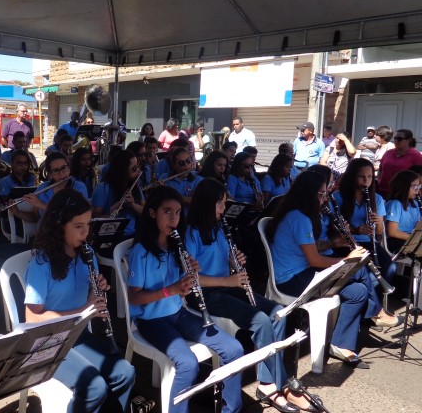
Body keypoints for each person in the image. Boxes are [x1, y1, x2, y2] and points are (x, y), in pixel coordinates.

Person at [186, 179, 312, 412]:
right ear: (206, 204)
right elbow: (191, 278)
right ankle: (280, 385)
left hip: (227, 286)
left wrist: (234, 261)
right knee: (261, 321)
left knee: (278, 313)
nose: (224, 209)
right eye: (220, 204)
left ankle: (267, 381)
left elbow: (225, 261)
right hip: (204, 295)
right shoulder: (191, 233)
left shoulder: (219, 228)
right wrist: (228, 280)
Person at [127, 186, 244, 413]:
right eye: (167, 212)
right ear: (152, 213)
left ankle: (231, 409)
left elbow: (182, 290)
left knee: (234, 349)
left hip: (177, 313)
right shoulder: (141, 251)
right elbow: (134, 297)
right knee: (188, 363)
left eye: (178, 212)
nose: (174, 218)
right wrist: (170, 290)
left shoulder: (175, 247)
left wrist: (189, 277)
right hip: (151, 321)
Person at [24, 189, 135, 412]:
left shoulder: (87, 254)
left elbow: (88, 299)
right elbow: (32, 318)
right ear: (59, 225)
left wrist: (96, 290)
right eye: (78, 226)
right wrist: (85, 310)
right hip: (47, 341)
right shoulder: (42, 263)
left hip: (76, 334)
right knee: (94, 387)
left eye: (88, 224)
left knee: (125, 372)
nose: (86, 232)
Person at [266, 171, 378, 369]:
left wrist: (335, 242)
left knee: (358, 292)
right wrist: (347, 260)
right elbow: (315, 259)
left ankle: (341, 344)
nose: (325, 198)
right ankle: (377, 312)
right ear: (309, 193)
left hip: (304, 273)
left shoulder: (302, 215)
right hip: (291, 280)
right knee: (358, 270)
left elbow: (312, 248)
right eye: (322, 194)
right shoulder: (299, 218)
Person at [333, 158, 398, 285]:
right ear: (352, 177)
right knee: (364, 272)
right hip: (346, 243)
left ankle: (376, 294)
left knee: (390, 268)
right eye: (361, 176)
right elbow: (334, 228)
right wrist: (356, 230)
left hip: (368, 242)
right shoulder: (338, 197)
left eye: (369, 176)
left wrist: (377, 222)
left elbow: (379, 231)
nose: (366, 180)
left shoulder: (377, 199)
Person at [16, 152, 88, 221]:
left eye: (64, 168)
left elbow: (73, 217)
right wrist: (16, 212)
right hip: (45, 228)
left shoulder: (79, 187)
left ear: (69, 168)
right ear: (50, 174)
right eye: (56, 171)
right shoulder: (43, 188)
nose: (61, 173)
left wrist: (41, 205)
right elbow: (36, 218)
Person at [92, 150, 145, 238]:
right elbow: (94, 218)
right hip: (110, 236)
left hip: (133, 234)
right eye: (134, 169)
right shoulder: (103, 188)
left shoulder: (135, 186)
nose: (138, 171)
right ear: (122, 171)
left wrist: (133, 205)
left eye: (137, 167)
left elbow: (146, 212)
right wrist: (109, 215)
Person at [377, 128, 422, 196]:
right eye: (395, 138)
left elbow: (420, 177)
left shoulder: (416, 156)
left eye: (399, 139)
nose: (396, 141)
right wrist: (379, 181)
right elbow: (380, 170)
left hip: (402, 194)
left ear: (408, 140)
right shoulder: (388, 153)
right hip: (382, 191)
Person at [385, 169, 421, 252]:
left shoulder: (414, 203)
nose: (417, 190)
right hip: (395, 241)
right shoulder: (394, 204)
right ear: (403, 186)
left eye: (418, 187)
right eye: (414, 187)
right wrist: (415, 240)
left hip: (409, 239)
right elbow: (392, 232)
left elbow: (417, 226)